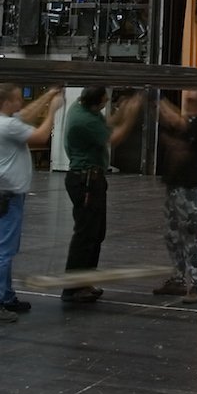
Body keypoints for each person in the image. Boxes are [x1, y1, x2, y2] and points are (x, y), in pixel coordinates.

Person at [0, 84, 62, 325]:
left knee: (7, 248)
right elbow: (40, 136)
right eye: (17, 99)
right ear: (7, 103)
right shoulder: (7, 125)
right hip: (8, 193)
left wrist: (47, 95)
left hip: (5, 190)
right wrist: (53, 110)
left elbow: (25, 115)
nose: (21, 103)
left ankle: (5, 296)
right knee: (4, 250)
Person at [60, 88, 144, 304]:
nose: (106, 104)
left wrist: (122, 111)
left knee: (95, 233)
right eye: (104, 102)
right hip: (85, 180)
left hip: (92, 178)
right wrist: (132, 114)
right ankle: (73, 287)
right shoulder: (83, 120)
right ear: (95, 103)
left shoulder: (85, 109)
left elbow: (106, 125)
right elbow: (114, 137)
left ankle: (84, 281)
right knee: (85, 234)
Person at [152, 90, 197, 305]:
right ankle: (178, 279)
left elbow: (177, 126)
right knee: (172, 235)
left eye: (192, 100)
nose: (188, 103)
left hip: (190, 187)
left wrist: (159, 100)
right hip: (175, 185)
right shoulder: (189, 121)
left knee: (192, 236)